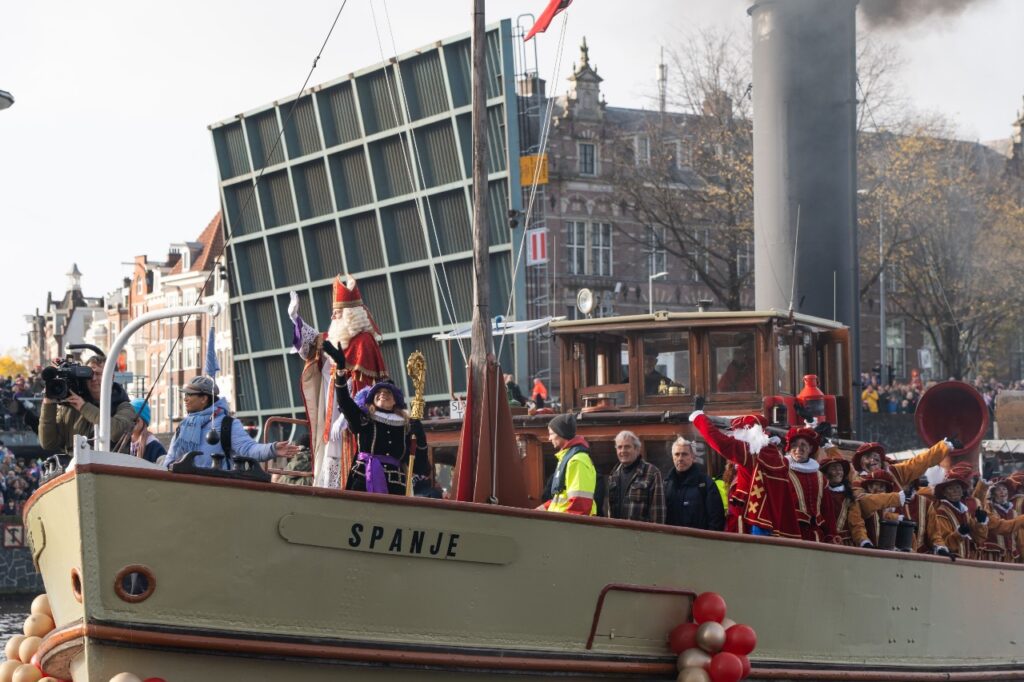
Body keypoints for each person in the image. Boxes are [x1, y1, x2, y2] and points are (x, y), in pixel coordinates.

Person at [290, 275, 388, 489]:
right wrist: (295, 319)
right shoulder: (333, 337)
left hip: (349, 414)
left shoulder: (364, 343)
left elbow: (369, 388)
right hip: (330, 406)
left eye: (338, 311)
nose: (333, 315)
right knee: (329, 453)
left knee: (346, 451)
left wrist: (347, 415)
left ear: (351, 315)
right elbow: (310, 346)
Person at [689, 398, 801, 538]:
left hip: (749, 519)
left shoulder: (749, 451)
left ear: (748, 432)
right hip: (773, 520)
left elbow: (718, 440)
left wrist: (698, 417)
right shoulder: (777, 456)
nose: (735, 435)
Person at [165, 376, 300, 469]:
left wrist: (272, 449)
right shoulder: (184, 426)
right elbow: (170, 459)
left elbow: (248, 449)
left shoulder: (227, 424)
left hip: (215, 491)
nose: (185, 399)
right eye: (185, 395)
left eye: (190, 394)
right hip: (186, 488)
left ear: (204, 399)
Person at [334, 371, 430, 495]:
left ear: (396, 400)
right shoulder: (365, 418)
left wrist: (420, 436)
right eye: (378, 392)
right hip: (363, 481)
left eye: (388, 392)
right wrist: (340, 376)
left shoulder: (406, 425)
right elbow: (345, 402)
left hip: (395, 487)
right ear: (373, 398)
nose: (383, 394)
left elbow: (420, 466)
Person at [38, 355, 135, 456]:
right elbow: (48, 443)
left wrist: (83, 407)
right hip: (75, 466)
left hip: (111, 466)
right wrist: (48, 404)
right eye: (89, 374)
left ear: (112, 377)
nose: (93, 378)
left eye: (98, 374)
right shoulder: (70, 407)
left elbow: (116, 431)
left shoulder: (124, 406)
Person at [928, 463, 988, 560]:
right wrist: (959, 534)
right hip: (952, 562)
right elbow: (945, 543)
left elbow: (979, 539)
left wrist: (980, 523)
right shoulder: (941, 513)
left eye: (958, 488)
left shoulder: (965, 511)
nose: (955, 491)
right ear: (944, 493)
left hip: (969, 560)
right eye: (951, 488)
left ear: (962, 491)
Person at [663, 436, 725, 531]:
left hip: (699, 542)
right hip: (673, 541)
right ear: (673, 458)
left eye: (684, 454)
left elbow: (716, 519)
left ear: (693, 457)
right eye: (677, 454)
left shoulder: (706, 484)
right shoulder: (666, 484)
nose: (680, 458)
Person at [784, 426, 834, 542]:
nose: (798, 449)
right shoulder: (782, 471)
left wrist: (831, 534)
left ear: (810, 448)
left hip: (816, 535)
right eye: (794, 445)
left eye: (803, 445)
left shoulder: (820, 477)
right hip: (790, 532)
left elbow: (827, 511)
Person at [540, 413, 596, 515]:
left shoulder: (577, 460)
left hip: (567, 527)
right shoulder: (568, 458)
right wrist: (542, 508)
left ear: (561, 433)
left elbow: (580, 505)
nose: (549, 438)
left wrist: (565, 527)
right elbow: (562, 499)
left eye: (551, 433)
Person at [605, 430, 665, 523]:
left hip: (640, 535)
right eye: (619, 447)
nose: (623, 451)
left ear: (637, 449)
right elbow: (609, 512)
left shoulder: (652, 473)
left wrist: (654, 536)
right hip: (617, 534)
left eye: (627, 447)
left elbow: (658, 513)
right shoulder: (613, 475)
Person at [128, 398, 166, 463]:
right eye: (129, 415)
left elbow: (164, 468)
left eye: (136, 414)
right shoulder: (125, 444)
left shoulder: (154, 447)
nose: (132, 418)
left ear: (144, 420)